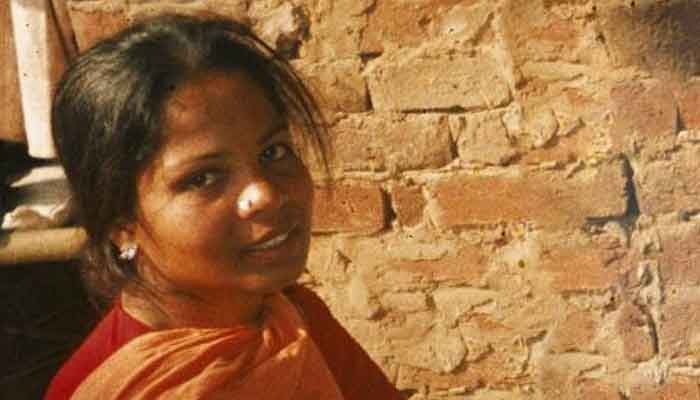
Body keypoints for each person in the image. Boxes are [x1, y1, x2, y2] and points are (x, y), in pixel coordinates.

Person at [44, 14, 403, 399]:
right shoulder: (116, 388)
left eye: (273, 152)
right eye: (202, 178)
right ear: (121, 224)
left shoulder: (294, 323)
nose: (265, 194)